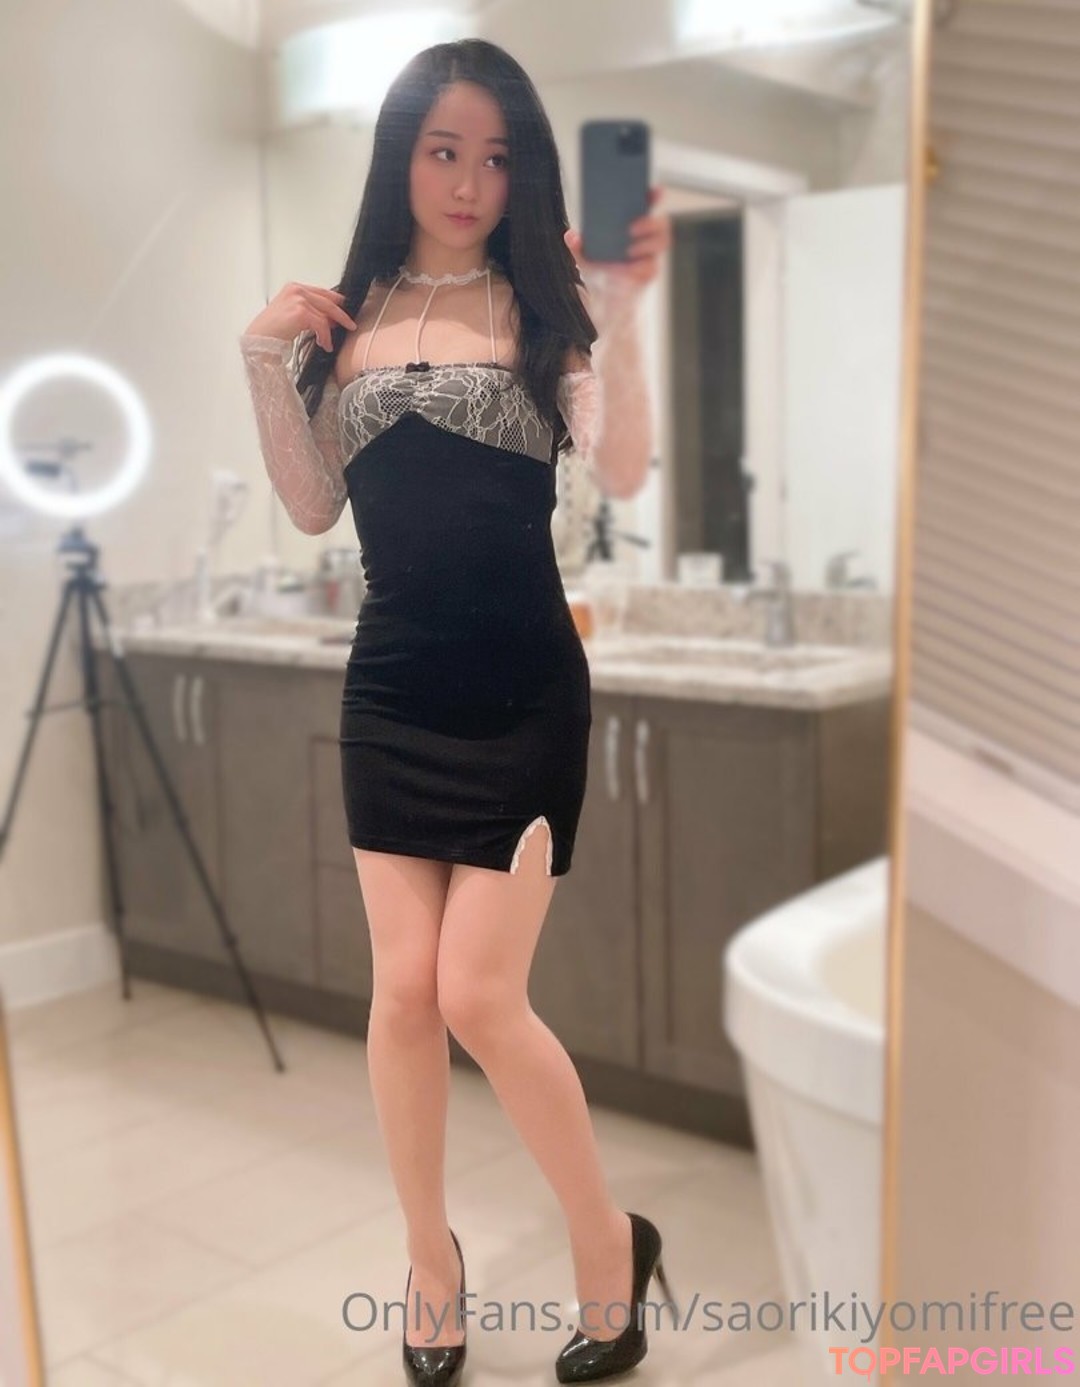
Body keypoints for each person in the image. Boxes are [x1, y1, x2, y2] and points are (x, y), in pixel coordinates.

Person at [238, 38, 673, 1386]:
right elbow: (313, 504)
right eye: (444, 151)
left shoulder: (546, 313)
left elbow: (626, 467)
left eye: (496, 156)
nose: (470, 181)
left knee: (479, 992)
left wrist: (619, 308)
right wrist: (261, 359)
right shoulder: (347, 319)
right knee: (404, 996)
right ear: (402, 159)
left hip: (522, 688)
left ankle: (609, 1243)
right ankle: (431, 1263)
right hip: (393, 686)